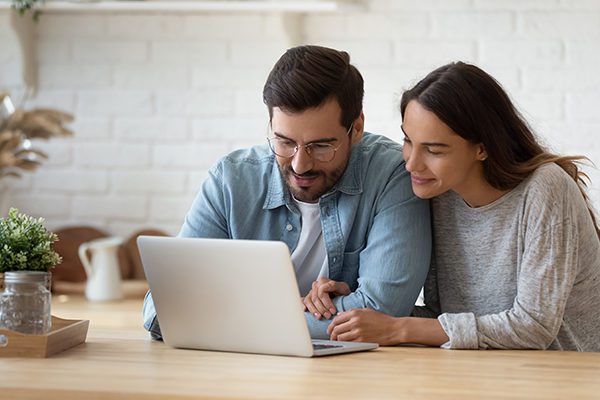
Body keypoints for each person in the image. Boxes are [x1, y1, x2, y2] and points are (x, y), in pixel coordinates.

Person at [143, 45, 432, 340]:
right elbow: (162, 309)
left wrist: (232, 316)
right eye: (284, 142)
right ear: (270, 125)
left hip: (353, 375)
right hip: (239, 370)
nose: (300, 164)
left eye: (320, 146)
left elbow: (383, 311)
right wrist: (291, 313)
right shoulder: (230, 180)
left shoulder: (392, 175)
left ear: (356, 128)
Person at [327, 61, 600, 351]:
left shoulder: (546, 189)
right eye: (408, 140)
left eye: (433, 149)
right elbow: (445, 322)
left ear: (482, 148)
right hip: (482, 372)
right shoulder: (438, 193)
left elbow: (533, 327)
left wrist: (398, 327)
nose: (411, 163)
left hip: (567, 375)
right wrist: (355, 305)